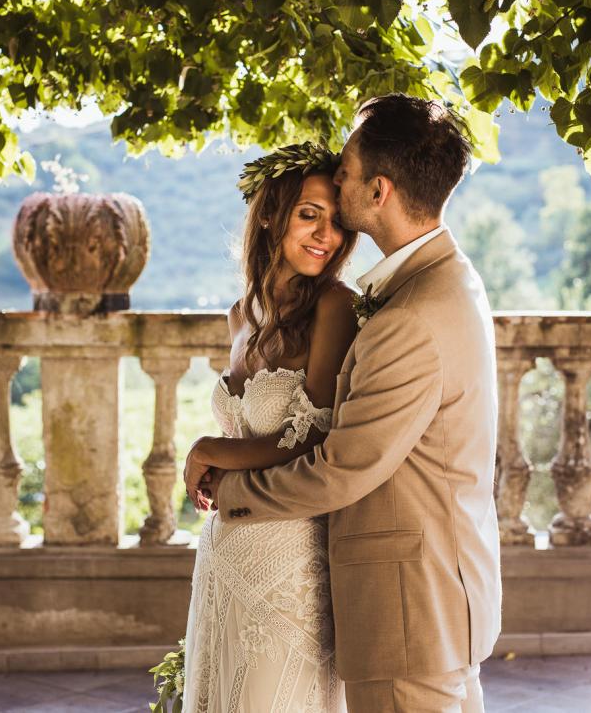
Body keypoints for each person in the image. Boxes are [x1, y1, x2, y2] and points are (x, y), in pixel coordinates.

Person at [191, 94, 501, 713]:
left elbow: (340, 465)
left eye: (348, 173)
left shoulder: (408, 314)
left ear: (378, 190)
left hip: (409, 607)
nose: (339, 179)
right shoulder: (438, 282)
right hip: (428, 598)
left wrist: (227, 490)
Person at [180, 143, 360, 712]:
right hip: (225, 549)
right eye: (310, 214)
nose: (325, 236)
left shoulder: (336, 305)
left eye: (336, 223)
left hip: (290, 554)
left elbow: (310, 435)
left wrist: (209, 449)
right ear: (270, 214)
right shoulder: (241, 314)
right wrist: (218, 455)